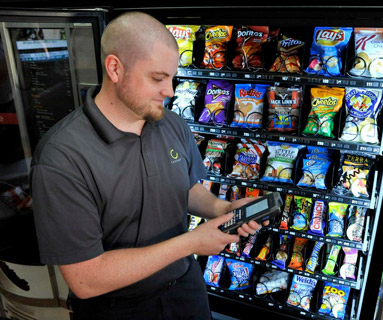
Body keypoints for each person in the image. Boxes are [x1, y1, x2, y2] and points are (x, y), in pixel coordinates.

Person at [30, 11, 266, 320]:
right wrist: (191, 243)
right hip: (117, 308)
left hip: (187, 291)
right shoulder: (62, 158)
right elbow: (85, 279)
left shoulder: (171, 123)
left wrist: (222, 209)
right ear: (115, 68)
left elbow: (186, 188)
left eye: (171, 78)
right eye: (157, 78)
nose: (169, 91)